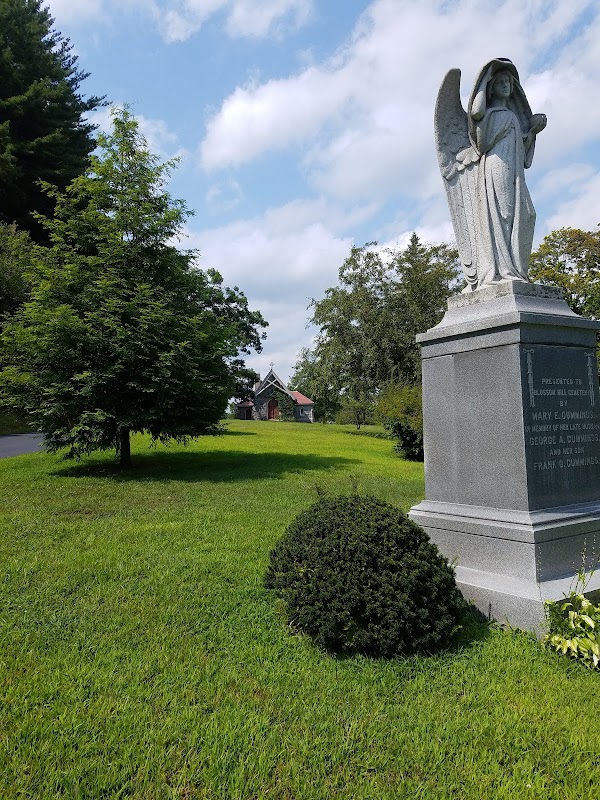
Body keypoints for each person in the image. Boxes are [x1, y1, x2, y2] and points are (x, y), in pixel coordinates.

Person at [435, 58, 546, 291]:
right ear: (491, 87)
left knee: (526, 214)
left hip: (514, 171)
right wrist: (484, 80)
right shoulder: (492, 116)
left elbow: (523, 153)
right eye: (500, 81)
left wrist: (532, 132)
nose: (506, 85)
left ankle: (515, 269)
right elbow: (480, 133)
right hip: (496, 167)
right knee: (505, 213)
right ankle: (501, 269)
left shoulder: (509, 116)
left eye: (509, 81)